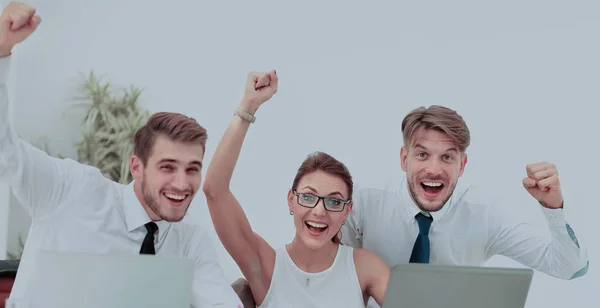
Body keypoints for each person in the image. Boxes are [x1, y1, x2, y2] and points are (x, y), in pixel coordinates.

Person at [0, 2, 242, 307]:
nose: (182, 183)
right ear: (136, 167)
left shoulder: (190, 243)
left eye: (192, 169)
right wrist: (1, 51)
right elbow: (3, 149)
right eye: (168, 167)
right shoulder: (71, 190)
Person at [341, 105, 589, 307]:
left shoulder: (485, 213)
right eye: (422, 155)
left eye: (447, 157)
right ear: (404, 159)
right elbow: (327, 268)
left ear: (462, 165)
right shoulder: (364, 201)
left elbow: (569, 268)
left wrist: (553, 208)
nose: (434, 170)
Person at [202, 70, 390, 307]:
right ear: (291, 200)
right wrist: (248, 106)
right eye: (309, 197)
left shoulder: (363, 266)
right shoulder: (267, 267)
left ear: (347, 210)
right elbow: (214, 190)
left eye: (334, 202)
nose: (319, 212)